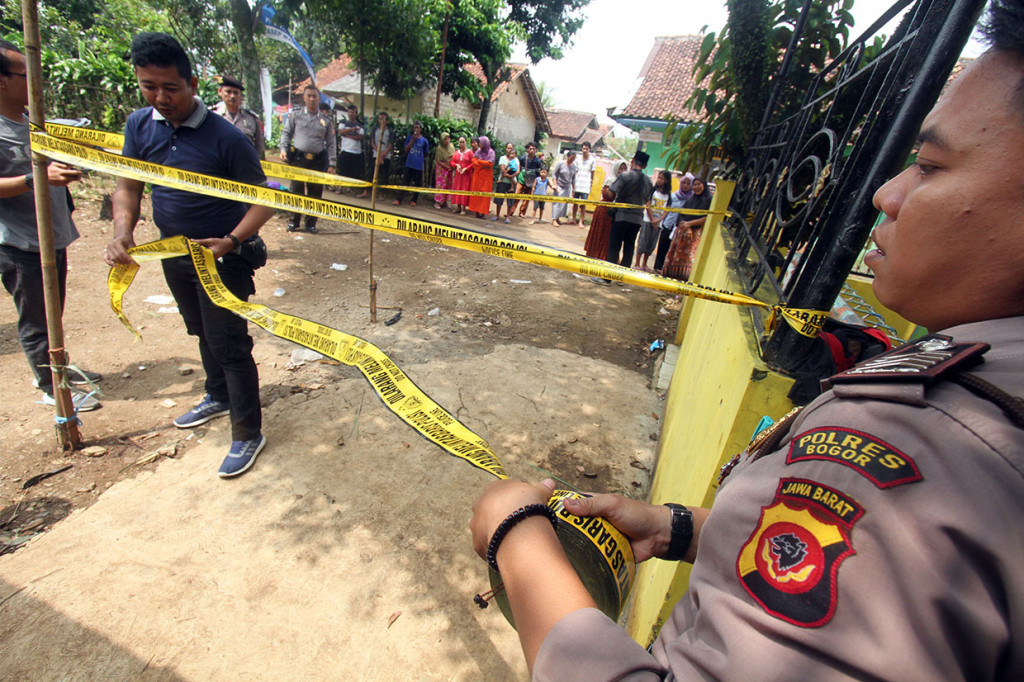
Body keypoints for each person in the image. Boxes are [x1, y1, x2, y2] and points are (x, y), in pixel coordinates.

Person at [469, 1, 1024, 678]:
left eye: (931, 167)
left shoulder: (927, 442)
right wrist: (683, 528)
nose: (885, 193)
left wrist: (517, 539)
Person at [106, 32, 274, 479]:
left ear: (193, 83)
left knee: (229, 342)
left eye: (170, 88)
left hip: (222, 257)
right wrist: (123, 232)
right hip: (174, 255)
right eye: (148, 86)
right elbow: (128, 185)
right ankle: (217, 395)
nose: (160, 98)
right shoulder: (139, 127)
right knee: (200, 330)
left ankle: (247, 432)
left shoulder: (228, 138)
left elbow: (265, 199)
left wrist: (232, 241)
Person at [0, 39, 101, 412]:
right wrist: (35, 178)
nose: (35, 84)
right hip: (21, 242)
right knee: (35, 318)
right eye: (27, 76)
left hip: (51, 236)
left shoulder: (32, 123)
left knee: (51, 311)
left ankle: (57, 368)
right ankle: (50, 386)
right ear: (2, 80)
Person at [279, 84, 335, 233]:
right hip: (298, 159)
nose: (311, 99)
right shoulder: (296, 115)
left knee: (315, 194)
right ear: (304, 98)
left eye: (314, 96)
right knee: (296, 191)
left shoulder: (326, 121)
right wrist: (283, 149)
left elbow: (331, 143)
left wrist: (332, 164)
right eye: (308, 96)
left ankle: (310, 224)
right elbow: (286, 133)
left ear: (318, 98)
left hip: (317, 161)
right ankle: (294, 221)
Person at [600, 151, 652, 281]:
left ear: (633, 160)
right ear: (645, 166)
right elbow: (647, 199)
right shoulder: (649, 181)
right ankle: (622, 279)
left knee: (614, 247)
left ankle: (607, 278)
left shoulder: (625, 176)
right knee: (629, 248)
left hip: (621, 217)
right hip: (637, 219)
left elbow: (610, 194)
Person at [661, 176, 712, 281]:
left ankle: (683, 282)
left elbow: (708, 218)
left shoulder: (709, 200)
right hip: (683, 233)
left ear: (704, 185)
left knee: (689, 261)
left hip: (697, 234)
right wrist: (685, 225)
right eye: (694, 184)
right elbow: (681, 214)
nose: (696, 187)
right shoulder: (690, 200)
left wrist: (691, 224)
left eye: (699, 184)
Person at [212, 75, 264, 158]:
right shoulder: (212, 117)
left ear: (240, 95)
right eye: (228, 92)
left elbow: (259, 145)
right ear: (220, 92)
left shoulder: (251, 118)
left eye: (236, 93)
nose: (232, 96)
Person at [584, 161, 627, 261]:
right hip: (605, 212)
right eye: (620, 168)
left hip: (615, 212)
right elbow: (608, 195)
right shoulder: (611, 180)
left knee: (611, 236)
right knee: (602, 234)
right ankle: (596, 255)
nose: (622, 171)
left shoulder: (625, 182)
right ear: (616, 169)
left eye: (625, 169)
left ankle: (609, 258)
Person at [656, 172, 693, 273]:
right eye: (683, 183)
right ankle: (658, 267)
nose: (685, 185)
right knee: (663, 245)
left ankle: (668, 269)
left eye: (687, 183)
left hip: (680, 227)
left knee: (674, 248)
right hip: (668, 224)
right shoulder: (673, 196)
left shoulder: (691, 199)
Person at [634, 170, 671, 272]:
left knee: (651, 244)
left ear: (667, 180)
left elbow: (666, 210)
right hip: (647, 221)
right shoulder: (653, 191)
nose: (659, 180)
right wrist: (652, 220)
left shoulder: (668, 195)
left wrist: (658, 221)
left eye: (661, 178)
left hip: (658, 224)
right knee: (643, 241)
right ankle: (637, 263)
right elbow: (648, 205)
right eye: (658, 177)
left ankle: (644, 264)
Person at [394, 121, 429, 207]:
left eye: (418, 128)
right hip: (409, 164)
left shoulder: (424, 141)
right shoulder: (409, 138)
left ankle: (414, 200)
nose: (416, 129)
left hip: (418, 166)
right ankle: (399, 199)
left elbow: (426, 153)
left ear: (420, 129)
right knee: (405, 182)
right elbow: (406, 149)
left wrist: (420, 158)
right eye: (414, 127)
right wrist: (413, 140)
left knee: (417, 184)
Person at [358, 111, 392, 199]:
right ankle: (366, 191)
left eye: (383, 119)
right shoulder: (375, 129)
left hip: (386, 156)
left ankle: (381, 194)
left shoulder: (390, 131)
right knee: (370, 174)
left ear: (387, 121)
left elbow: (390, 144)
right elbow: (372, 143)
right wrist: (379, 153)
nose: (381, 121)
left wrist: (383, 155)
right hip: (375, 155)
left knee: (384, 176)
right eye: (380, 119)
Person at [336, 104, 364, 192]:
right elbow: (341, 132)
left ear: (356, 113)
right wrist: (352, 130)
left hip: (356, 151)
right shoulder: (343, 123)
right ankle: (340, 187)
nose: (351, 114)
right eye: (349, 112)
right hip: (345, 150)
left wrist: (347, 135)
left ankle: (350, 188)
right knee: (342, 170)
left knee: (353, 171)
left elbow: (360, 137)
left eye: (353, 112)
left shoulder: (360, 125)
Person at [468, 135, 495, 219]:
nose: (479, 144)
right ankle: (476, 212)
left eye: (480, 143)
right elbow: (473, 162)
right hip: (477, 176)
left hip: (486, 178)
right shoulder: (478, 152)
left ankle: (483, 212)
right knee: (476, 194)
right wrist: (483, 164)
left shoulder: (491, 152)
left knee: (484, 195)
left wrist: (479, 161)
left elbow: (490, 164)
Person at [493, 142, 520, 223]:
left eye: (511, 148)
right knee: (499, 199)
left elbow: (518, 171)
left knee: (510, 200)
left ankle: (508, 217)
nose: (509, 150)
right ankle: (497, 215)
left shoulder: (516, 159)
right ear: (506, 149)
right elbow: (502, 170)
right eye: (508, 148)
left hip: (512, 182)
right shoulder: (502, 158)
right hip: (503, 182)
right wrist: (509, 175)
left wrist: (511, 176)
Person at [572, 142, 597, 228]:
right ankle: (574, 219)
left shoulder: (592, 160)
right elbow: (575, 171)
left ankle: (581, 221)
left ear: (589, 149)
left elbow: (593, 173)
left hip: (586, 185)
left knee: (583, 204)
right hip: (577, 183)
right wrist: (573, 185)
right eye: (583, 149)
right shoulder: (578, 159)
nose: (584, 150)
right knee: (574, 202)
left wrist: (591, 183)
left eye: (586, 149)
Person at [517, 141, 545, 218]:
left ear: (536, 150)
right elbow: (518, 169)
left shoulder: (538, 161)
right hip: (521, 180)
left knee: (526, 198)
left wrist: (536, 184)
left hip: (531, 182)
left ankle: (522, 213)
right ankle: (511, 211)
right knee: (516, 196)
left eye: (534, 149)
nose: (532, 150)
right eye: (530, 149)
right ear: (527, 150)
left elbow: (538, 173)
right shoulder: (522, 158)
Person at [550, 150, 577, 226]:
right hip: (559, 185)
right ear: (568, 156)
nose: (572, 160)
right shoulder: (561, 163)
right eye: (571, 158)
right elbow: (554, 174)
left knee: (563, 204)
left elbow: (573, 178)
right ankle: (554, 219)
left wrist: (573, 188)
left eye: (574, 159)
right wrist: (555, 185)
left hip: (567, 187)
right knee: (556, 203)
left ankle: (558, 218)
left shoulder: (574, 166)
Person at [449, 136, 473, 216]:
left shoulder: (470, 152)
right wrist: (456, 165)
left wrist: (466, 168)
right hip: (458, 175)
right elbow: (452, 162)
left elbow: (473, 163)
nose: (462, 144)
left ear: (466, 142)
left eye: (463, 142)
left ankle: (463, 208)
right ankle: (458, 207)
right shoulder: (457, 152)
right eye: (460, 142)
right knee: (457, 189)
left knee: (464, 190)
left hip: (466, 175)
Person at [433, 131, 455, 210]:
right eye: (445, 139)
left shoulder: (451, 146)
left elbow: (454, 156)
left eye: (448, 138)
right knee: (441, 185)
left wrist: (451, 166)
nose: (447, 140)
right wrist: (446, 166)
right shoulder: (439, 148)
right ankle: (437, 202)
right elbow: (438, 160)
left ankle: (445, 201)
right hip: (441, 169)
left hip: (450, 168)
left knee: (448, 185)